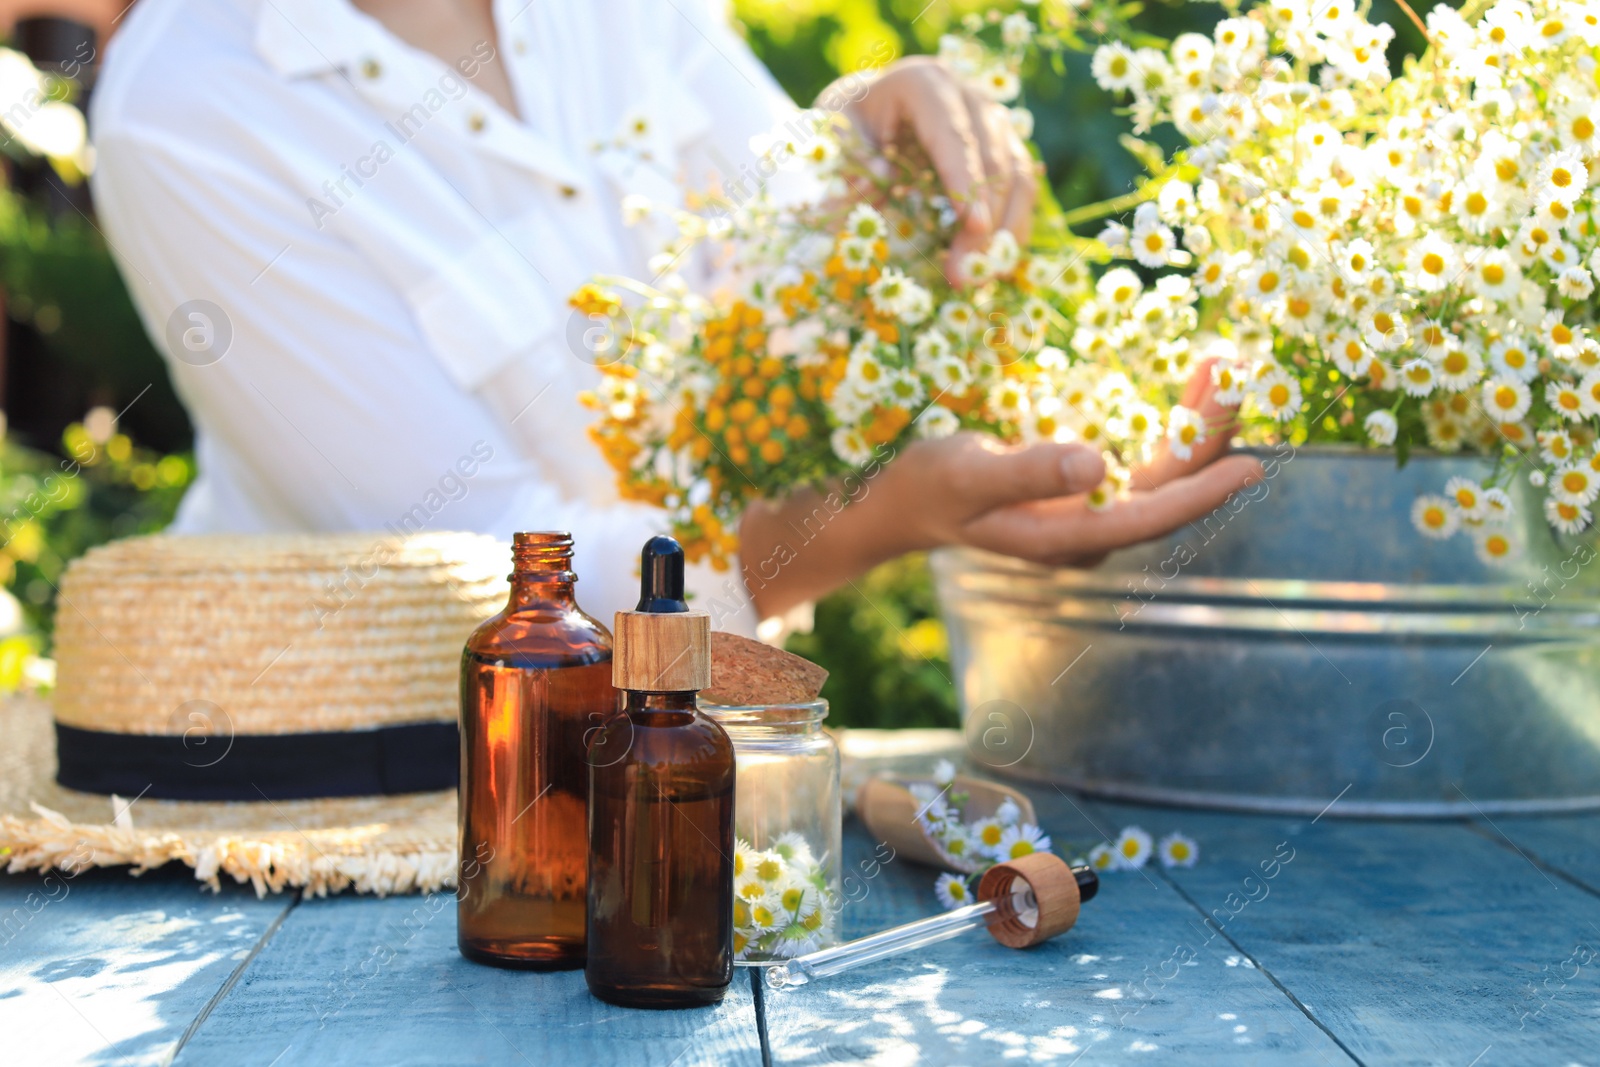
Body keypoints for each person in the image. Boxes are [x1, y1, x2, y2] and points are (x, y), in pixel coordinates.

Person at [90, 0, 1260, 635]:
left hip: (695, 763)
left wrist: (870, 130)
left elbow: (787, 236)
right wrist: (881, 512)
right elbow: (514, 581)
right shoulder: (187, 107)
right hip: (369, 816)